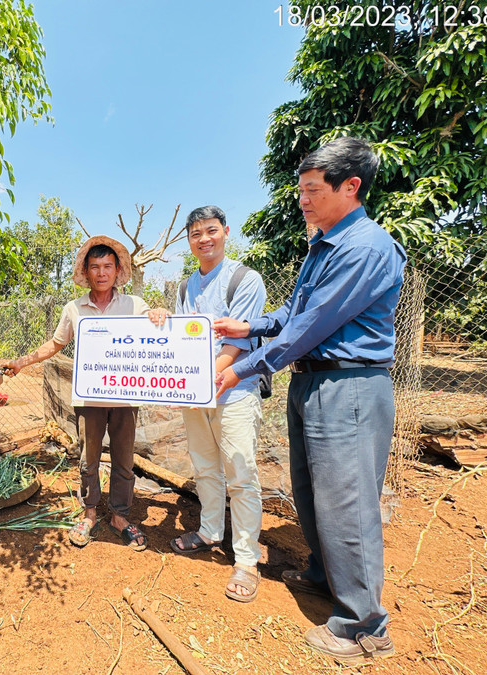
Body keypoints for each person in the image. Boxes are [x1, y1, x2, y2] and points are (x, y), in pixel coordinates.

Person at [214, 137, 406, 664]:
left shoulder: (366, 248)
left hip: (348, 386)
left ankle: (364, 627)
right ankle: (326, 573)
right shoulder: (325, 242)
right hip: (314, 384)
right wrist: (251, 325)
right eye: (300, 190)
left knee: (347, 502)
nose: (303, 199)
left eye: (312, 190)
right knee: (312, 489)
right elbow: (297, 310)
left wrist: (243, 365)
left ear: (351, 187)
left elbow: (309, 327)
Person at [147, 206, 266, 603]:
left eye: (211, 230)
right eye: (196, 233)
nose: (204, 239)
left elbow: (237, 343)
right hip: (195, 392)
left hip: (233, 390)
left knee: (240, 470)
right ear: (189, 240)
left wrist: (202, 380)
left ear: (225, 232)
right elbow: (180, 338)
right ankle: (211, 531)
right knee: (205, 466)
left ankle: (247, 559)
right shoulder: (186, 287)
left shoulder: (244, 280)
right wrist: (160, 317)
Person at [6, 236, 151, 551]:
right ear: (86, 272)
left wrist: (162, 317)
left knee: (125, 460)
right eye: (95, 267)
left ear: (117, 270)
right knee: (88, 460)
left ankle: (120, 517)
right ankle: (88, 513)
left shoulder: (135, 306)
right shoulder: (74, 308)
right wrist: (21, 362)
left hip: (126, 398)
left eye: (107, 267)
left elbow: (156, 337)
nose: (101, 273)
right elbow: (55, 345)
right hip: (89, 398)